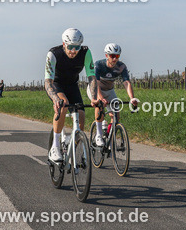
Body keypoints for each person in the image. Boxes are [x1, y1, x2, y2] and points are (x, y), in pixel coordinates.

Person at [44, 28, 96, 162]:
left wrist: (94, 98)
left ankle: (71, 146)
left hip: (73, 85)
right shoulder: (53, 54)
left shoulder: (85, 52)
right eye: (70, 47)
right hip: (57, 84)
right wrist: (55, 99)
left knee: (81, 114)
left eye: (77, 47)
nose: (73, 51)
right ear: (64, 44)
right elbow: (48, 82)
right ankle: (55, 147)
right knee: (64, 103)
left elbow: (92, 78)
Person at [89, 43, 140, 147]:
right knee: (100, 106)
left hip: (109, 90)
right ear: (106, 55)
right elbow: (96, 83)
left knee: (116, 113)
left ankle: (109, 135)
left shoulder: (121, 67)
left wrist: (132, 98)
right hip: (95, 89)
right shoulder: (99, 65)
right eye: (112, 56)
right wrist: (100, 98)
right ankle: (99, 134)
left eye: (117, 56)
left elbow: (127, 83)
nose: (114, 59)